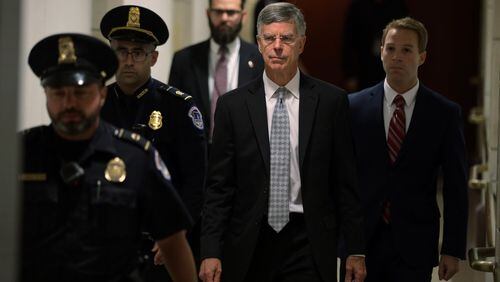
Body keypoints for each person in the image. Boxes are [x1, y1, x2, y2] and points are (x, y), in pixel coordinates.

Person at [199, 3, 366, 282]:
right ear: (259, 43)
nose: (277, 46)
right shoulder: (233, 106)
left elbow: (346, 182)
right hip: (250, 240)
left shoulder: (331, 102)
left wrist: (356, 250)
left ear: (301, 43)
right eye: (269, 38)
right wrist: (210, 250)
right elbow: (219, 187)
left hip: (308, 239)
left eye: (286, 38)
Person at [20, 32, 197, 282]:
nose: (69, 103)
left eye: (81, 93)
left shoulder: (135, 157)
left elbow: (174, 245)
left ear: (102, 94)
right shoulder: (20, 154)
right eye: (58, 93)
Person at [345, 17, 468, 281]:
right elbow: (343, 181)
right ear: (380, 53)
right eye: (390, 48)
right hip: (364, 243)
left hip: (416, 242)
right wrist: (347, 245)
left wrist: (452, 249)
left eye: (406, 50)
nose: (396, 57)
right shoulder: (353, 108)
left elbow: (456, 186)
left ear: (422, 57)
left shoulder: (444, 113)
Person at [99, 5, 207, 281]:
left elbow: (195, 183)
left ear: (154, 57)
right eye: (121, 51)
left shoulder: (177, 107)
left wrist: (175, 234)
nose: (129, 60)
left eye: (138, 52)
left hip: (161, 245)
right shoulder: (96, 103)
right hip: (107, 242)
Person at [169, 0, 264, 141]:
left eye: (231, 13)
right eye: (218, 12)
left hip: (244, 157)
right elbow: (172, 113)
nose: (224, 18)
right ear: (208, 14)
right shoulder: (184, 60)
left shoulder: (260, 59)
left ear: (243, 16)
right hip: (197, 155)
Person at [341, 0, 408, 92]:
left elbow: (406, 39)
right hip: (363, 68)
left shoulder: (397, 7)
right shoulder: (358, 7)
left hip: (391, 67)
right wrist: (350, 75)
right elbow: (348, 42)